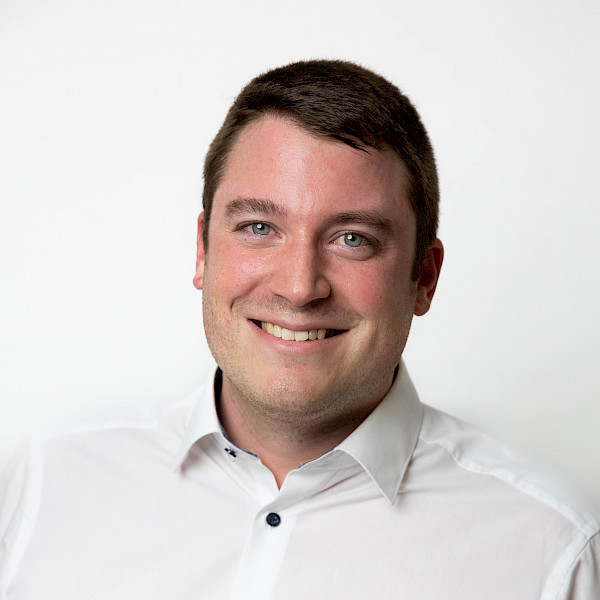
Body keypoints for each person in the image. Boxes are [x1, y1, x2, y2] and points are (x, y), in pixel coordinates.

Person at [0, 60, 598, 599]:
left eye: (352, 239)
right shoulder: (49, 478)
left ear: (424, 277)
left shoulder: (551, 549)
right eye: (259, 228)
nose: (299, 287)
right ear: (203, 251)